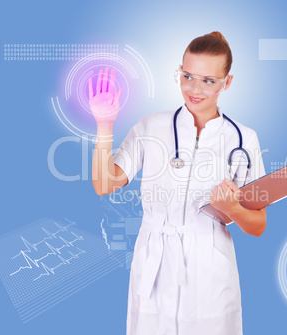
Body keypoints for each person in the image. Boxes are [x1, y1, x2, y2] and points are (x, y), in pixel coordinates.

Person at [90, 31, 267, 335]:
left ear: (228, 82)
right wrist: (104, 123)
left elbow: (257, 225)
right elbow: (105, 184)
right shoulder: (151, 126)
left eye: (208, 81)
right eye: (187, 76)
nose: (194, 89)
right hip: (155, 263)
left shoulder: (243, 139)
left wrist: (231, 209)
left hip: (210, 271)